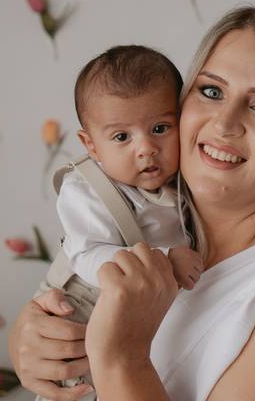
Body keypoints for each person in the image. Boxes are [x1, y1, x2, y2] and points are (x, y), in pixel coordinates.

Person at [9, 6, 255, 400]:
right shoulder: (155, 225)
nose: (224, 123)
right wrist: (32, 344)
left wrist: (121, 359)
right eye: (212, 91)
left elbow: (120, 356)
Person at [35, 45, 204, 399]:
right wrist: (164, 259)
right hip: (84, 311)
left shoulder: (184, 178)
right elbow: (87, 255)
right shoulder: (86, 191)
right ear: (91, 145)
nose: (146, 148)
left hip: (145, 315)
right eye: (122, 137)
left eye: (160, 128)